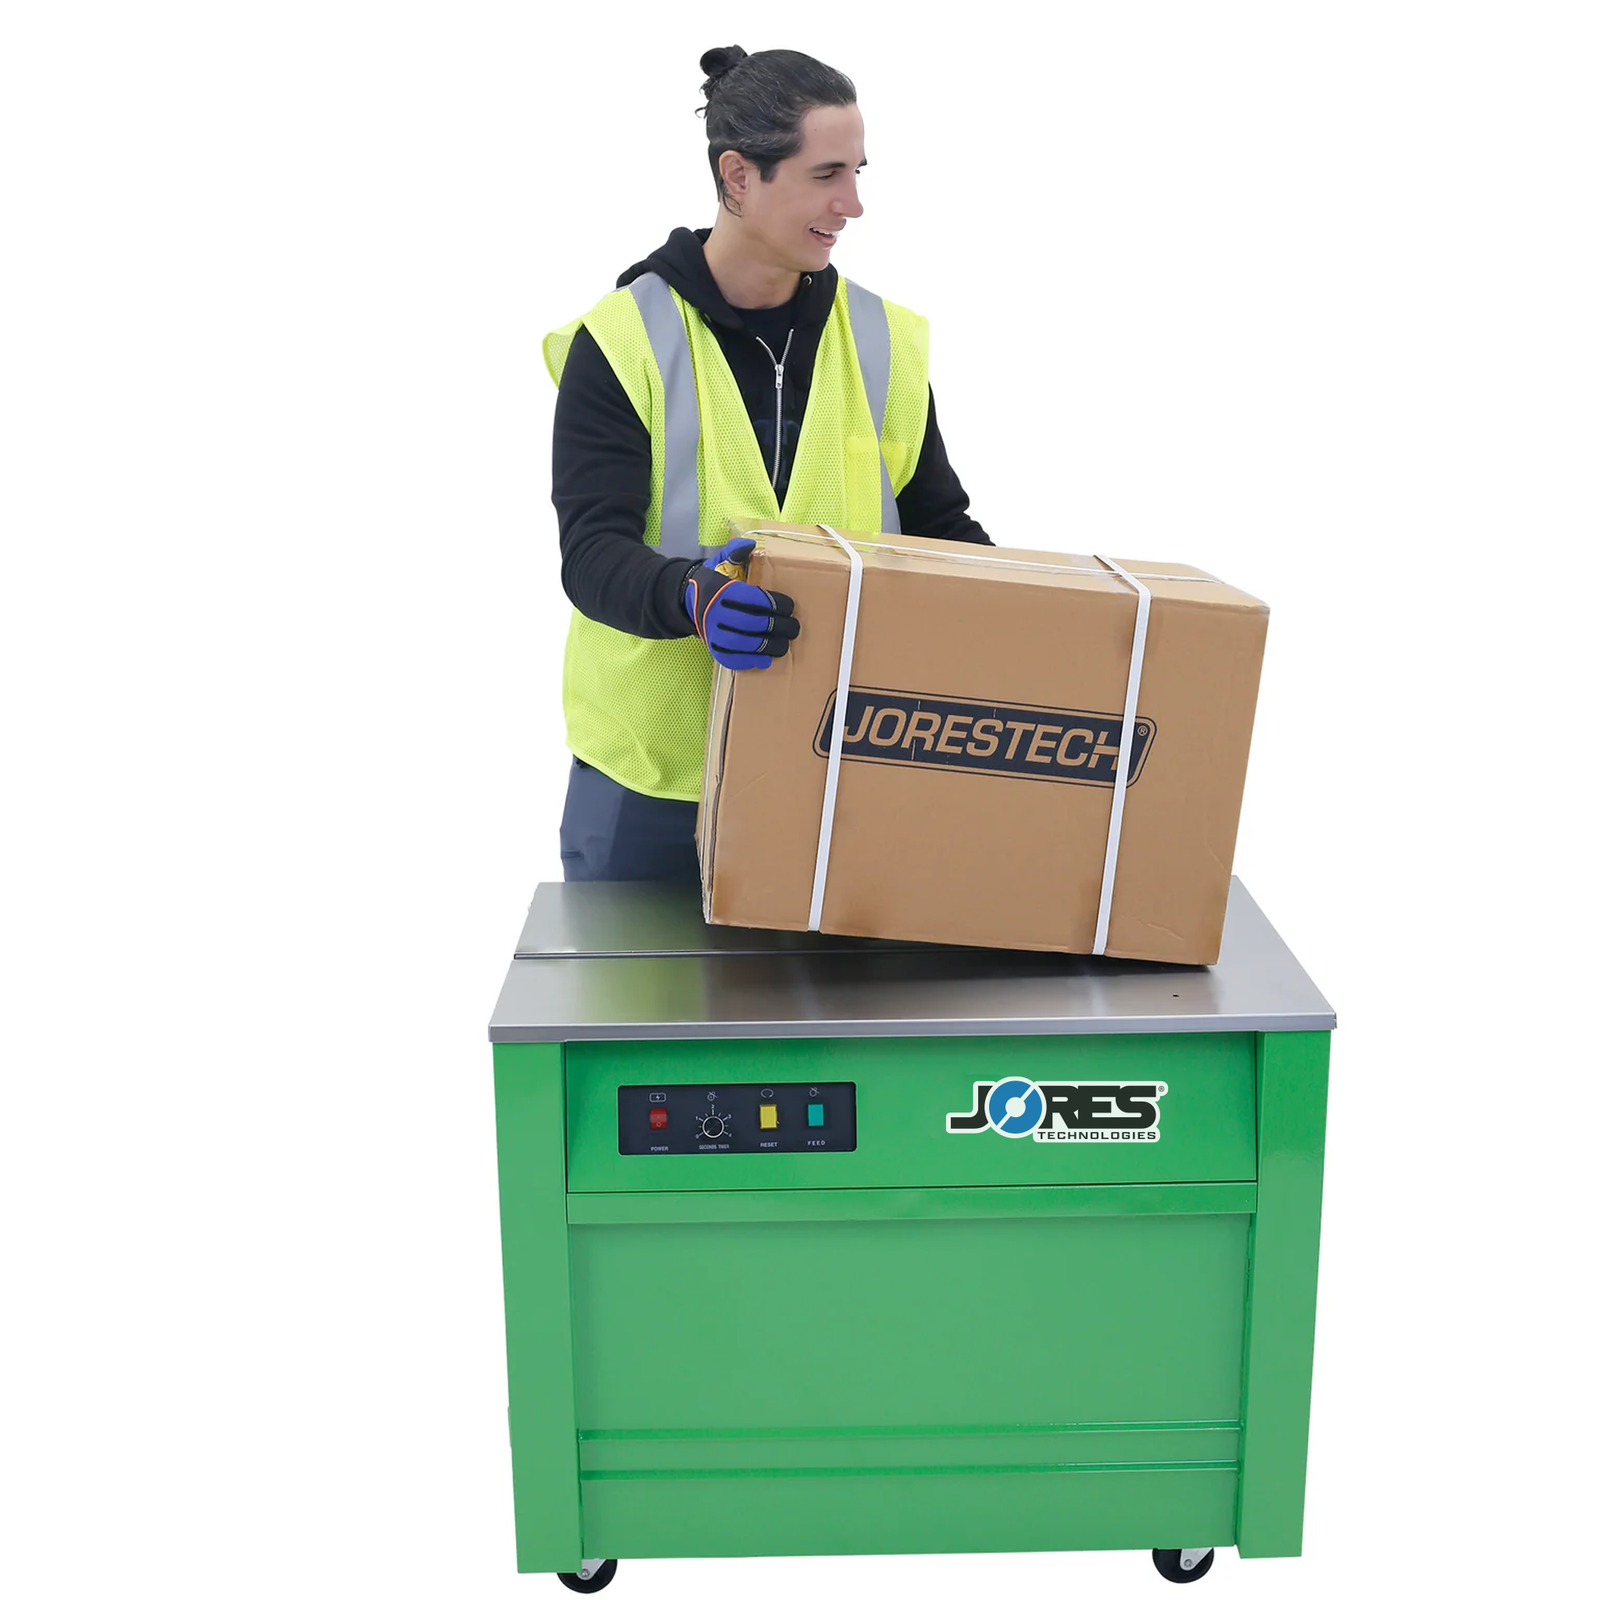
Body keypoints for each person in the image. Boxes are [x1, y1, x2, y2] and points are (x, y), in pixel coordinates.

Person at [547, 45, 991, 884]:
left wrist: (1033, 623)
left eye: (859, 172)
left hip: (841, 763)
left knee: (828, 1019)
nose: (853, 204)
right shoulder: (621, 340)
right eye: (828, 174)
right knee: (640, 1012)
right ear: (739, 177)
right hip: (654, 784)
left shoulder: (882, 342)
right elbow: (592, 553)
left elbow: (938, 526)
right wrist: (690, 594)